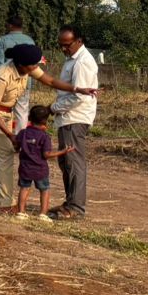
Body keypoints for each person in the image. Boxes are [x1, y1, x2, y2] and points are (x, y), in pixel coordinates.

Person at [0, 43, 93, 212]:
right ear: (21, 64)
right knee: (6, 154)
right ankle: (5, 204)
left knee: (0, 155)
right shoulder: (2, 76)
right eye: (32, 65)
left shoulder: (27, 67)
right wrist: (10, 135)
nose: (35, 68)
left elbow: (51, 81)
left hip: (7, 114)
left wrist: (77, 89)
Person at [50, 23, 99, 220]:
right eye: (60, 45)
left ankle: (76, 207)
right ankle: (70, 202)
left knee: (73, 162)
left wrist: (53, 108)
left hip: (75, 117)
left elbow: (78, 96)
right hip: (68, 117)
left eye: (67, 45)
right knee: (66, 161)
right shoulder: (73, 59)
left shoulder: (82, 62)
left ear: (79, 41)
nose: (63, 49)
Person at [13, 105, 75, 220]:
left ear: (29, 118)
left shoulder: (23, 133)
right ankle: (43, 214)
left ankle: (21, 212)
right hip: (40, 170)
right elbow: (46, 155)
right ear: (45, 121)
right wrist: (63, 151)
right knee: (44, 190)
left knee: (24, 188)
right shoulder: (44, 136)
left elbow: (16, 145)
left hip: (25, 168)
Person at [0, 15, 35, 131]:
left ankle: (3, 136)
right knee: (22, 112)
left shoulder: (3, 40)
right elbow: (33, 64)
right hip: (24, 82)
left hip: (6, 82)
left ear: (10, 25)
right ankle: (20, 138)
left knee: (2, 110)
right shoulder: (30, 41)